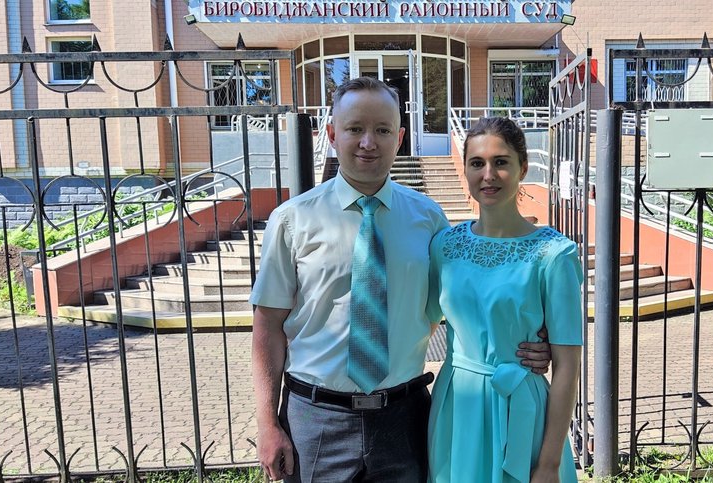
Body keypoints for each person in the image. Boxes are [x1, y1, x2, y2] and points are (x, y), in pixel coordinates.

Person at [249, 77, 552, 483]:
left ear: (400, 137)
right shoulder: (292, 220)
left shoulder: (429, 220)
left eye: (382, 130)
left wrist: (534, 338)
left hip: (404, 419)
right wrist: (267, 424)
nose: (368, 142)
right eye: (355, 129)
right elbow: (267, 326)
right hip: (316, 420)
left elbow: (471, 300)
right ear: (332, 133)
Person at [426, 117, 583, 483]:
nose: (488, 175)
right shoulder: (445, 246)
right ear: (465, 169)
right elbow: (425, 322)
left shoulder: (553, 255)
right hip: (456, 406)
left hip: (520, 407)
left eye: (501, 162)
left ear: (523, 167)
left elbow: (568, 367)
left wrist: (546, 465)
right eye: (477, 163)